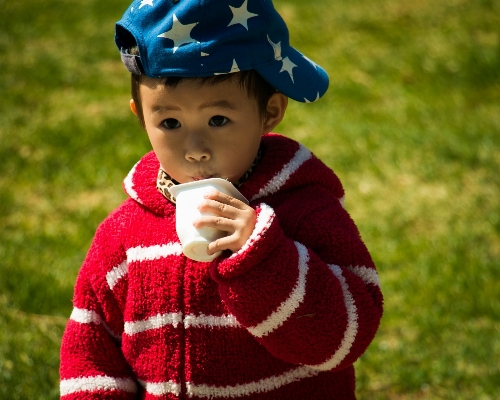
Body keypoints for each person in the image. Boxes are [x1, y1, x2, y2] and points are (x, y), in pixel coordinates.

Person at [59, 0, 383, 398]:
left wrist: (263, 258)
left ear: (270, 112)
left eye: (218, 120)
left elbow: (344, 340)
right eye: (170, 123)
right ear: (140, 116)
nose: (195, 149)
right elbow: (92, 351)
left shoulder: (304, 211)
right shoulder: (124, 234)